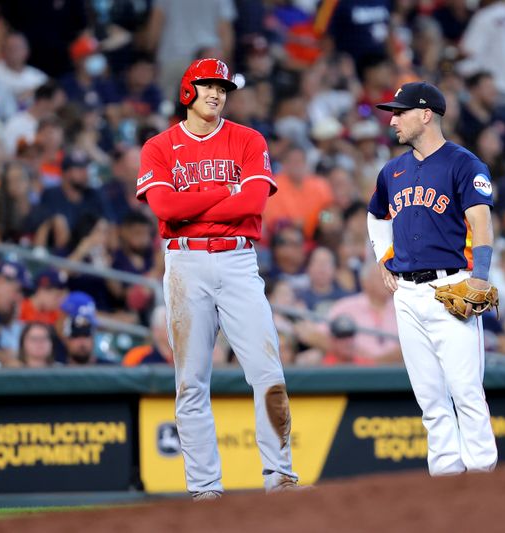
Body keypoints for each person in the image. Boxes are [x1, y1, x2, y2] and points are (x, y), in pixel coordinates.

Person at [136, 58, 300, 498]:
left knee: (268, 373)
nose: (216, 93)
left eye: (222, 88)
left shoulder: (248, 139)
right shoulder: (159, 146)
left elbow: (253, 203)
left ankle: (279, 477)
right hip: (185, 266)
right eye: (207, 85)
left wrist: (195, 200)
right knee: (191, 381)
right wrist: (225, 192)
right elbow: (164, 210)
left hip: (238, 262)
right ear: (188, 90)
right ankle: (205, 489)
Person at [367, 81, 498, 475]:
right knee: (429, 397)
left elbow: (482, 223)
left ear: (426, 114)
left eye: (399, 112)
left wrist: (481, 276)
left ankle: (481, 475)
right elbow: (375, 216)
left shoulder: (464, 163)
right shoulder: (392, 171)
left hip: (451, 286)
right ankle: (445, 477)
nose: (392, 120)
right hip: (406, 293)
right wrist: (383, 257)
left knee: (465, 391)